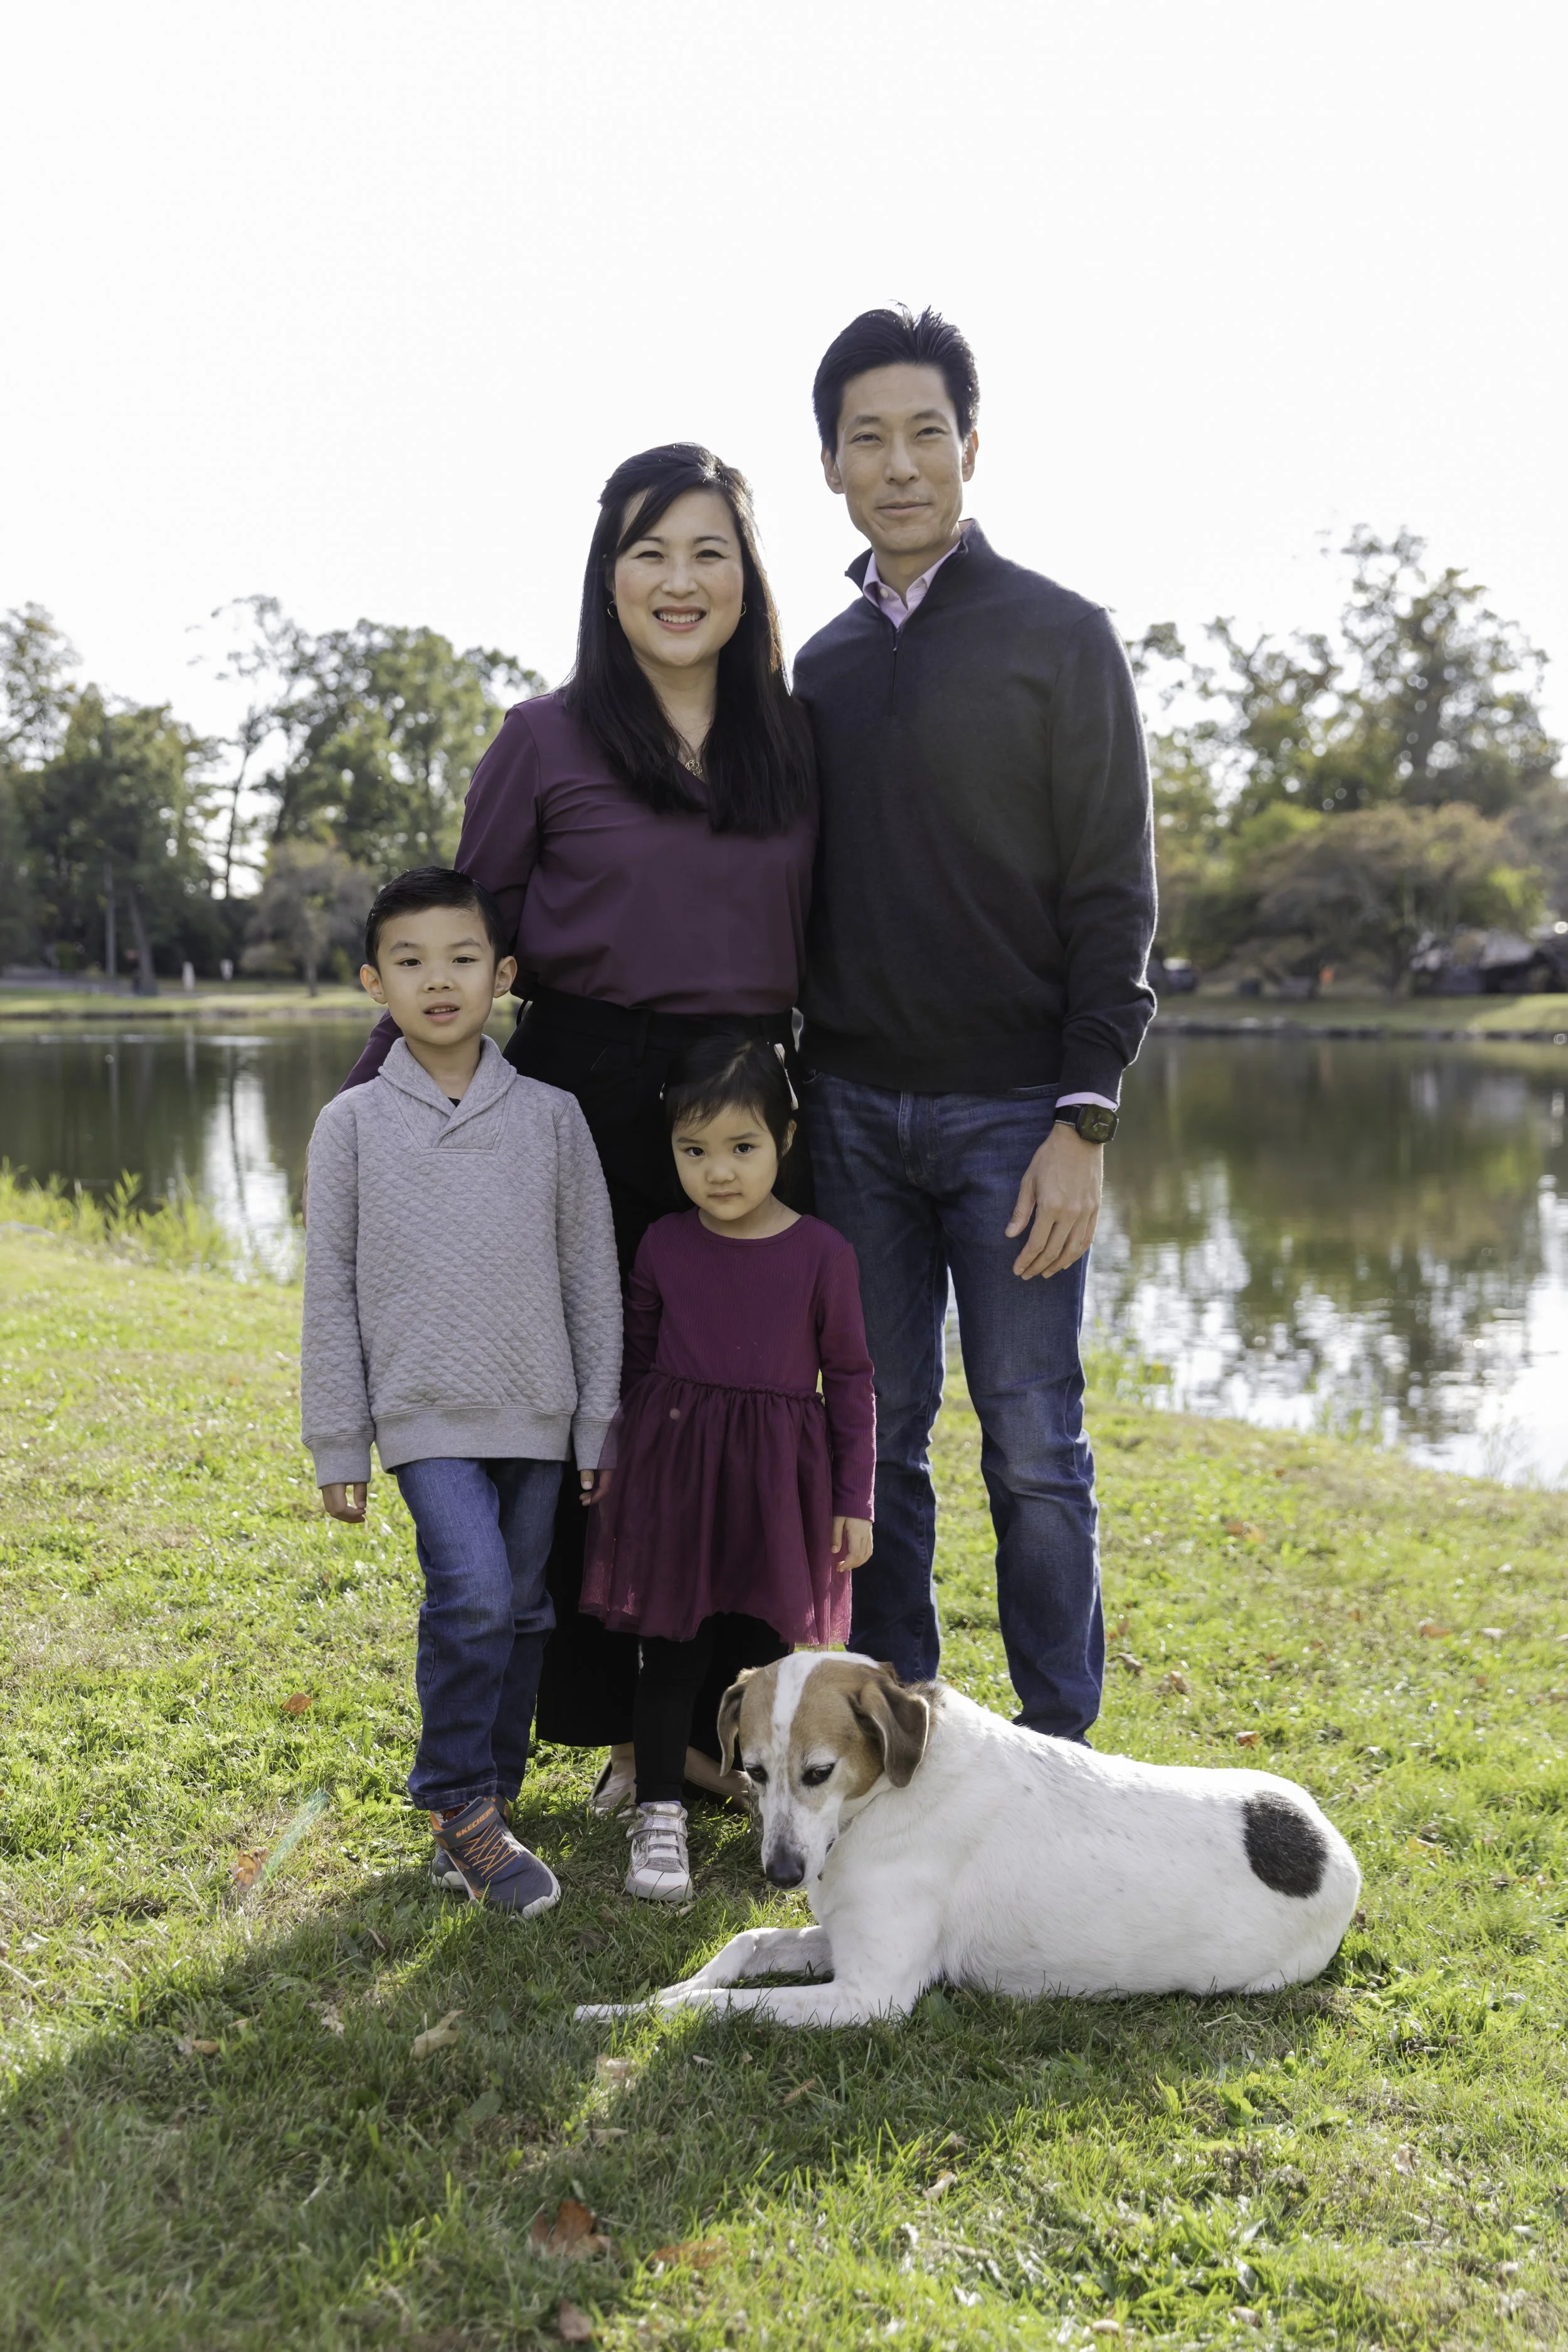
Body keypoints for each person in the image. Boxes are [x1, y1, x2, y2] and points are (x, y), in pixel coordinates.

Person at [341, 445, 817, 1813]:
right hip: (582, 1098)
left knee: (738, 1413)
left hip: (750, 1098)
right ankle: (620, 1730)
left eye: (708, 550)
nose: (679, 579)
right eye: (647, 551)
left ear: (746, 574)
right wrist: (374, 1112)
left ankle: (725, 1723)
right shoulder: (542, 738)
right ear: (608, 577)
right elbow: (458, 941)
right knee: (597, 1417)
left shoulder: (795, 740)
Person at [794, 305, 1157, 1744]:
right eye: (866, 438)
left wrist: (1083, 1118)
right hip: (849, 1118)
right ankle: (906, 1732)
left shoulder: (1059, 637)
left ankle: (1060, 1747)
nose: (898, 464)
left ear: (970, 446)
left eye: (924, 433)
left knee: (1032, 1442)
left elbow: (1114, 894)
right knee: (876, 1444)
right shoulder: (817, 668)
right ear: (829, 463)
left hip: (1017, 1116)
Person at [304, 866, 622, 1914]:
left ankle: (491, 1804)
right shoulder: (351, 1124)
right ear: (373, 982)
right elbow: (329, 1291)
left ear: (505, 974)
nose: (438, 980)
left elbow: (590, 1278)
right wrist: (340, 1440)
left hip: (539, 1412)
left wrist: (595, 1421)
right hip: (422, 1413)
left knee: (525, 1612)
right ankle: (455, 1798)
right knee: (475, 1594)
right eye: (410, 961)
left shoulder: (553, 1117)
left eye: (462, 958)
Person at [581, 1036, 874, 1901]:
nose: (718, 1171)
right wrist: (611, 1456)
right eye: (694, 1150)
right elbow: (633, 1364)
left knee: (765, 1664)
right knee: (670, 1655)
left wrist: (854, 1496)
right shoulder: (665, 1245)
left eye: (743, 1147)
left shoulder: (824, 1253)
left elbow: (851, 1380)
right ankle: (659, 1812)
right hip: (678, 1479)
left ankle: (776, 1812)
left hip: (779, 1487)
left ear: (785, 1138)